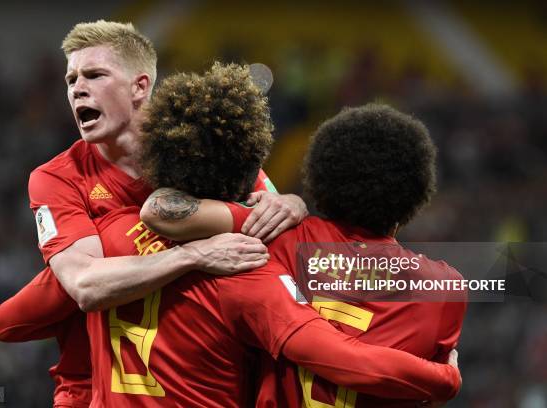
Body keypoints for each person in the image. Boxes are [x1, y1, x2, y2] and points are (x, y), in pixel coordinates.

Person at [0, 64, 461, 407]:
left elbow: (9, 323)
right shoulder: (444, 287)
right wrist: (442, 379)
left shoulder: (251, 248)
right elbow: (330, 350)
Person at [20, 19, 306, 407]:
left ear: (140, 86)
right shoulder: (57, 178)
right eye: (71, 80)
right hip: (99, 387)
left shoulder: (198, 143)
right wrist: (192, 255)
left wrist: (292, 203)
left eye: (94, 75)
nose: (77, 89)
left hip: (212, 380)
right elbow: (86, 285)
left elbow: (271, 207)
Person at [145, 104, 468, 407]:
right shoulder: (444, 289)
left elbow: (164, 212)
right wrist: (445, 379)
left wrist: (289, 202)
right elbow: (427, 397)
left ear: (322, 178)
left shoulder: (277, 239)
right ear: (415, 193)